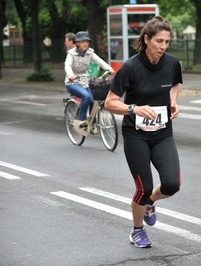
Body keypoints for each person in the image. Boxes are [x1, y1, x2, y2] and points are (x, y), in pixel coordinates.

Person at [104, 15, 182, 248]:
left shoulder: (172, 63)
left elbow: (175, 84)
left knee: (172, 185)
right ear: (146, 39)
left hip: (163, 133)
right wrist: (133, 108)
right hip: (136, 135)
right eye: (159, 41)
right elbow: (110, 102)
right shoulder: (130, 67)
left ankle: (149, 203)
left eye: (167, 42)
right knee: (143, 187)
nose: (163, 46)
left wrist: (173, 101)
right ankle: (137, 230)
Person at [64, 31, 115, 134]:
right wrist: (71, 75)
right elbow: (67, 65)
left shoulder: (90, 52)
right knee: (86, 97)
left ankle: (93, 124)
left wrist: (109, 69)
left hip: (84, 82)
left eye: (87, 41)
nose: (85, 44)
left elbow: (99, 61)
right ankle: (82, 120)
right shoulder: (71, 53)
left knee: (93, 101)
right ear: (77, 43)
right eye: (82, 42)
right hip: (72, 83)